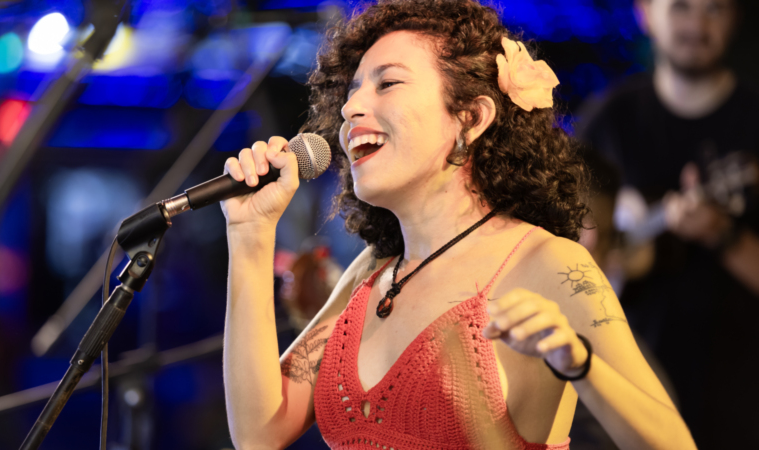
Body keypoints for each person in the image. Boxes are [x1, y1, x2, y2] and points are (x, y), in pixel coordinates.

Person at [221, 0, 696, 448]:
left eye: (387, 83)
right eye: (351, 91)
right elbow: (259, 435)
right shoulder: (371, 272)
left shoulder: (549, 263)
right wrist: (250, 234)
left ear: (470, 118)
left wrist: (581, 364)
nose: (350, 108)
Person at [576, 0, 759, 446]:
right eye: (680, 7)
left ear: (735, 18)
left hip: (738, 391)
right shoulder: (609, 120)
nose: (696, 24)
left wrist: (723, 235)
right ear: (645, 13)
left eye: (714, 9)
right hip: (625, 383)